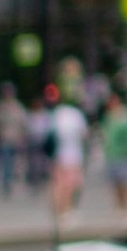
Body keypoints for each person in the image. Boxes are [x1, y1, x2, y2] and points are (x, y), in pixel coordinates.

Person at [44, 88, 88, 223]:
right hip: (74, 156)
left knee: (58, 184)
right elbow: (84, 135)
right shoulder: (77, 115)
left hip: (58, 155)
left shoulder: (55, 114)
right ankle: (66, 210)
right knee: (71, 185)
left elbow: (49, 135)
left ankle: (58, 210)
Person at [99, 91, 127, 217]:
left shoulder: (125, 115)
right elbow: (105, 133)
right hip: (111, 153)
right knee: (114, 183)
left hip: (122, 154)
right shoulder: (109, 117)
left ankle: (125, 206)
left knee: (123, 182)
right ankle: (117, 206)